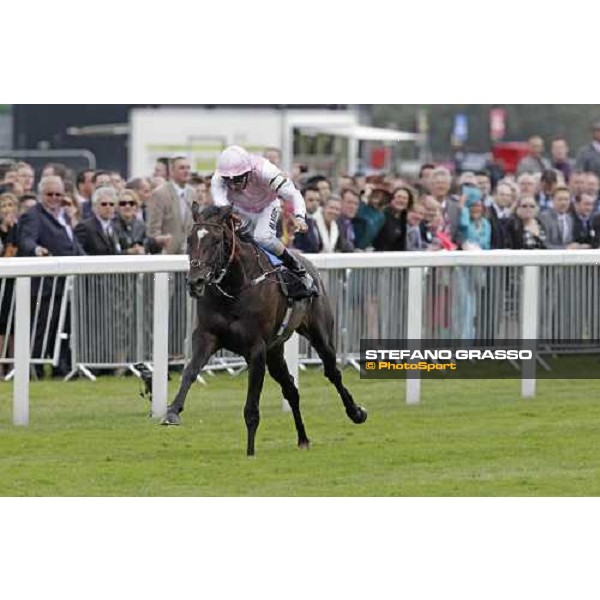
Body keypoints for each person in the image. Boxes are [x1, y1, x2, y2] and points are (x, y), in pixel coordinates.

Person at [211, 145, 315, 292]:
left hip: (267, 207)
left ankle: (298, 270)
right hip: (239, 211)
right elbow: (222, 208)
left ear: (249, 172)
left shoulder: (265, 170)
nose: (233, 186)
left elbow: (293, 194)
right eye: (229, 181)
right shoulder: (218, 178)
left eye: (239, 180)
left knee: (263, 238)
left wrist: (300, 217)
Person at [17, 175, 85, 378]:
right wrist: (37, 250)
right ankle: (35, 368)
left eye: (59, 194)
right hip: (45, 284)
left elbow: (73, 244)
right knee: (43, 329)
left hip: (66, 282)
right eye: (50, 194)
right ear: (40, 195)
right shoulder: (33, 215)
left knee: (62, 328)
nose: (55, 198)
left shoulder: (64, 215)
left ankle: (60, 367)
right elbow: (26, 239)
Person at [146, 156, 197, 255]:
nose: (186, 171)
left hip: (188, 254)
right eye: (182, 168)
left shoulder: (193, 193)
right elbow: (153, 230)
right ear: (172, 171)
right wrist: (161, 241)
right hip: (166, 255)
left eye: (188, 168)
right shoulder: (160, 193)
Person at [75, 187, 122, 255]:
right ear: (95, 206)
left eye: (111, 204)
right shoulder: (84, 227)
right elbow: (79, 252)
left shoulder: (116, 226)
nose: (108, 207)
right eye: (104, 204)